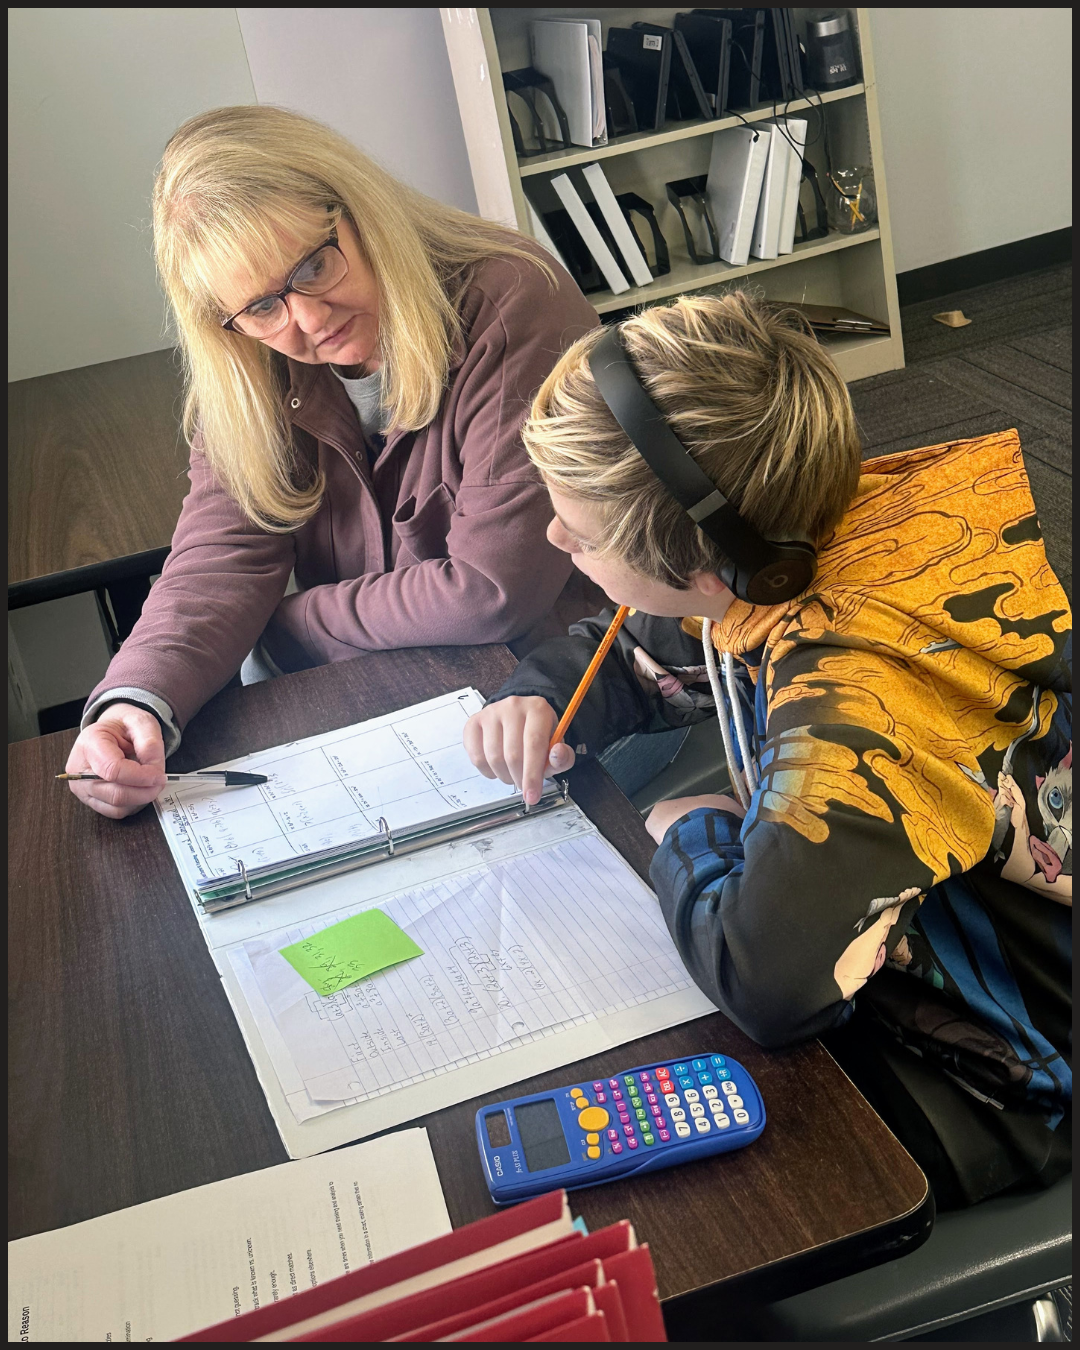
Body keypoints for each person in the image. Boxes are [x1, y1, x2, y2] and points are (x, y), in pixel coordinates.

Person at [464, 291, 1072, 1208]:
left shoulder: (860, 701)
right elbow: (640, 650)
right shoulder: (787, 550)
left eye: (578, 535)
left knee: (676, 1176)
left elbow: (770, 986)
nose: (555, 537)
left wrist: (692, 832)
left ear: (705, 568)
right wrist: (543, 693)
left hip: (1004, 1068)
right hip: (901, 948)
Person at [65, 104, 602, 821]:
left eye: (314, 266)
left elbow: (491, 589)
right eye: (263, 307)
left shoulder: (513, 300)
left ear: (359, 210)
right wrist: (135, 700)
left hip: (559, 699)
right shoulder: (250, 363)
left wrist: (287, 623)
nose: (310, 320)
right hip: (383, 705)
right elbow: (220, 553)